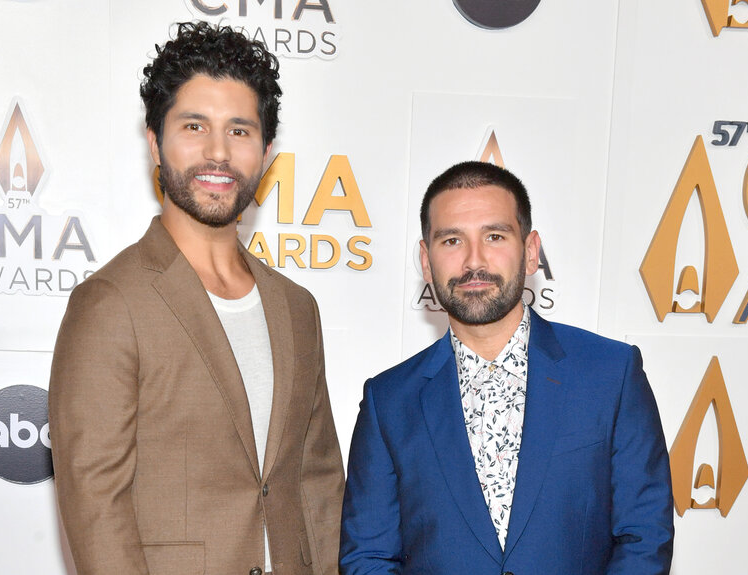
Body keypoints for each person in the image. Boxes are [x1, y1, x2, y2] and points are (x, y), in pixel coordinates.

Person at [49, 22, 344, 575]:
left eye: (239, 131)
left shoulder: (297, 308)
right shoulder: (110, 304)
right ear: (156, 142)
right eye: (194, 126)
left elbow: (319, 481)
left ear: (266, 151)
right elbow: (95, 508)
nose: (217, 152)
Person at [340, 161, 673, 574]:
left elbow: (644, 537)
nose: (473, 261)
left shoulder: (610, 374)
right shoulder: (389, 400)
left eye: (494, 236)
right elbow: (368, 558)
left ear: (531, 252)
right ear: (426, 262)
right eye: (451, 241)